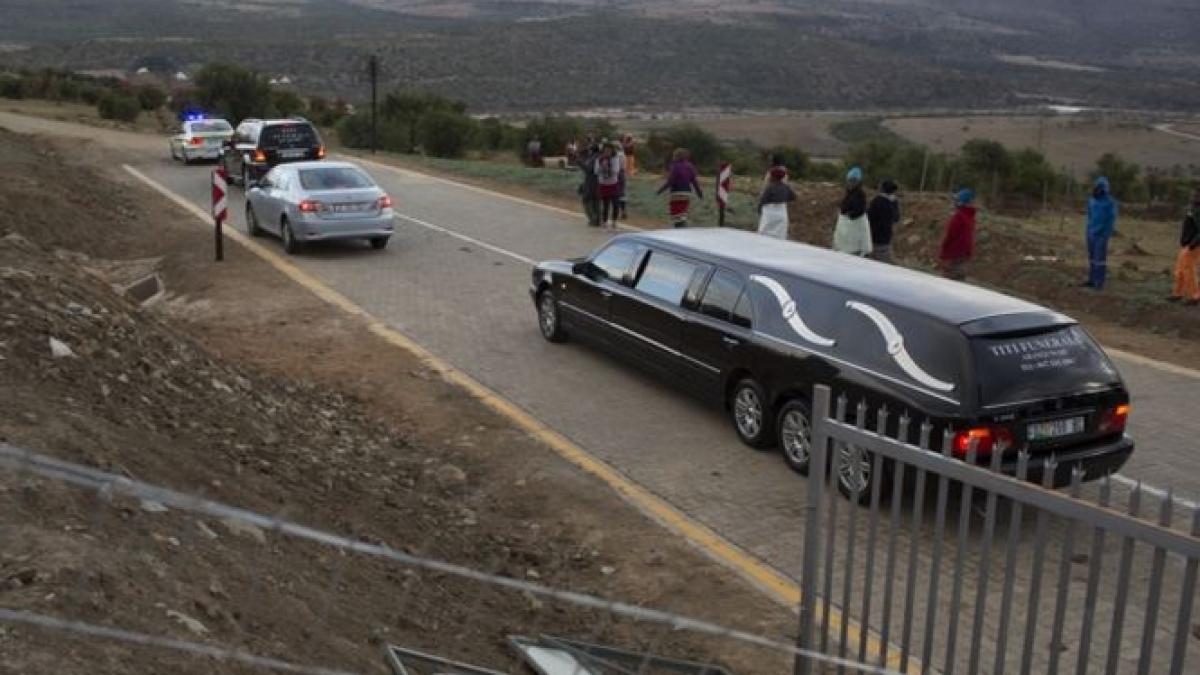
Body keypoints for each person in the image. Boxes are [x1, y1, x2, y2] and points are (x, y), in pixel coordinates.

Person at [1084, 176, 1118, 290]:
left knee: (1100, 259)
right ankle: (1091, 279)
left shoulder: (1110, 202)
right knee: (1092, 258)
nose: (1099, 190)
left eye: (1101, 188)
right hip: (1091, 233)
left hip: (1101, 235)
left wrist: (1105, 233)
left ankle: (1099, 283)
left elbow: (1111, 219)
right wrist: (1088, 229)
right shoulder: (1092, 200)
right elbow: (1089, 215)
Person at [1167, 190, 1200, 305]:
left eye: (1195, 196)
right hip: (1187, 244)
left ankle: (1194, 296)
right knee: (1180, 269)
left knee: (1189, 269)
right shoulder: (1192, 210)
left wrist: (1193, 244)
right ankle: (1177, 293)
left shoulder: (1198, 211)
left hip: (1194, 245)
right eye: (1192, 195)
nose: (1192, 197)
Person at [656, 148, 703, 228]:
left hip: (676, 193)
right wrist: (699, 193)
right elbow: (694, 182)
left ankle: (680, 229)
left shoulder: (675, 167)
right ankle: (682, 226)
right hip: (687, 193)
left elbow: (670, 181)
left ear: (676, 156)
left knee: (676, 212)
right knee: (682, 211)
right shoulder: (690, 166)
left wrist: (660, 191)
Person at [939, 188, 977, 281]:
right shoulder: (970, 217)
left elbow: (950, 236)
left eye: (956, 200)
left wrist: (944, 254)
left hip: (953, 255)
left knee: (947, 284)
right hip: (964, 255)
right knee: (959, 284)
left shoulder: (958, 217)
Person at [833, 166, 871, 256]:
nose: (850, 183)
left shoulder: (860, 194)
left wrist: (848, 215)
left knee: (853, 251)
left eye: (853, 181)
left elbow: (859, 211)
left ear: (857, 182)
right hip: (847, 228)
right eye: (849, 180)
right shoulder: (849, 193)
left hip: (855, 228)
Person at [757, 167, 796, 240]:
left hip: (769, 214)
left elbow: (763, 200)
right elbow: (793, 197)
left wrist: (759, 210)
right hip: (782, 214)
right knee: (780, 234)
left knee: (764, 233)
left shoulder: (770, 187)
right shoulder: (786, 187)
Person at [867, 179, 901, 264]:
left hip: (874, 235)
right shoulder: (894, 202)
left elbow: (869, 216)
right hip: (887, 236)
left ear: (882, 189)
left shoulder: (877, 201)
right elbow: (896, 218)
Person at [595, 143, 624, 229]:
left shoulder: (615, 159)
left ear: (612, 151)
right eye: (605, 150)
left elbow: (616, 171)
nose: (607, 152)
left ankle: (614, 221)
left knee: (615, 204)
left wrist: (607, 168)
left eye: (609, 150)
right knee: (605, 204)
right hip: (603, 184)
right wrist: (602, 167)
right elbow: (596, 171)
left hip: (613, 184)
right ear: (603, 151)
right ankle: (605, 221)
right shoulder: (599, 159)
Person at [576, 143, 601, 227]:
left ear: (591, 150)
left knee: (587, 200)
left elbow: (589, 170)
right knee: (595, 201)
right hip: (596, 182)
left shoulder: (594, 158)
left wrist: (579, 162)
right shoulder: (598, 157)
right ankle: (597, 219)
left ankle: (593, 219)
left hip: (592, 182)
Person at [614, 140, 629, 220]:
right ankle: (623, 211)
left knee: (617, 193)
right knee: (622, 193)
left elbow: (617, 166)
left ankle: (620, 211)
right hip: (623, 173)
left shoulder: (617, 155)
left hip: (618, 173)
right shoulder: (623, 154)